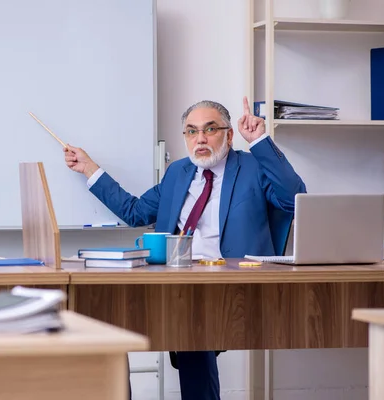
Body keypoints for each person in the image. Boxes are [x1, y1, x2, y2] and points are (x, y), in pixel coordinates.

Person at [63, 97, 306, 400]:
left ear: (229, 135)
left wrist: (260, 141)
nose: (200, 139)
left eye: (210, 129)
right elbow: (136, 212)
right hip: (175, 276)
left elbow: (293, 198)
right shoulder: (178, 172)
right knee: (112, 317)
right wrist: (89, 168)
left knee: (194, 327)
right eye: (191, 131)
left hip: (232, 281)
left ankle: (186, 345)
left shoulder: (253, 166)